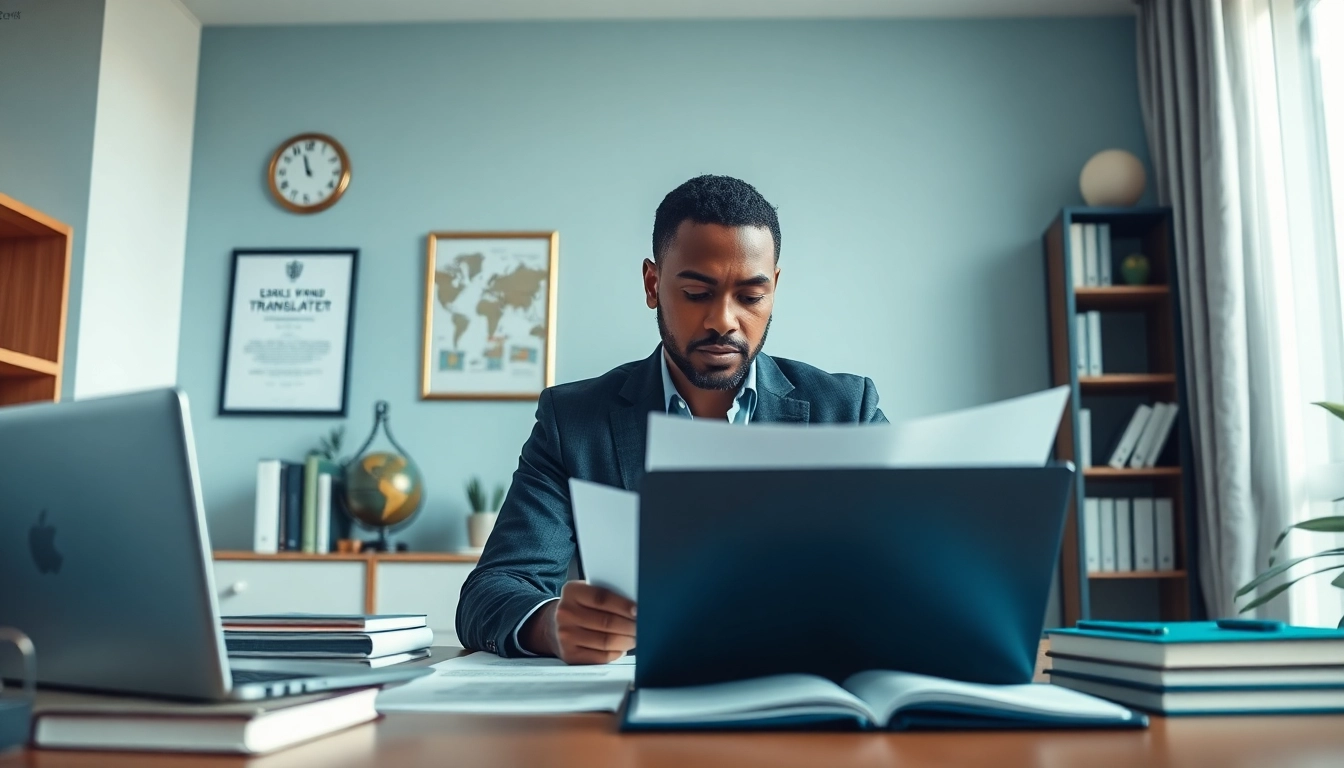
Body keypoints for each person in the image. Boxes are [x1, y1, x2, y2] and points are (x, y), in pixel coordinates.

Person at [456, 175, 887, 663]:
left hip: (809, 703)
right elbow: (490, 591)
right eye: (698, 292)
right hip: (639, 710)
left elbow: (915, 567)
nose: (723, 320)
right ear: (653, 284)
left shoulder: (846, 411)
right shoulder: (573, 423)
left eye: (750, 297)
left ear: (774, 290)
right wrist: (551, 626)